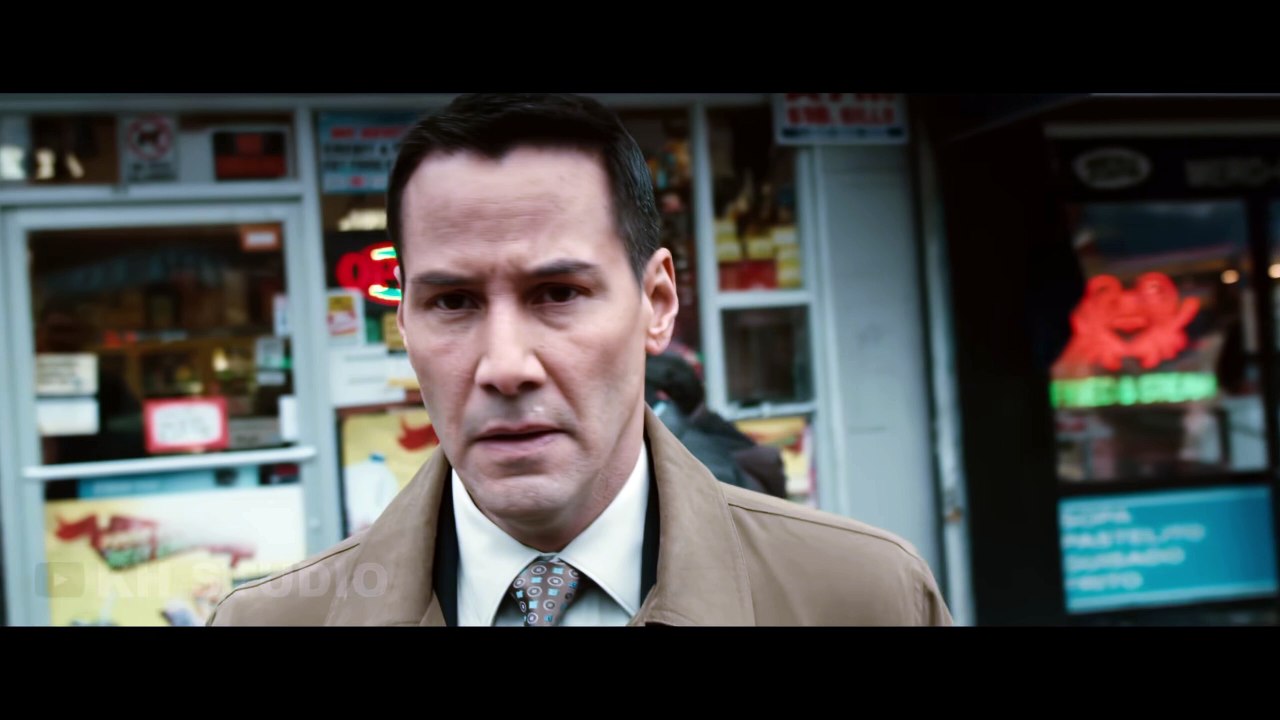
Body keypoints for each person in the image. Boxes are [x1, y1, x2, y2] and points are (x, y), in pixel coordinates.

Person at [208, 93, 951, 626]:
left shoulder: (865, 598)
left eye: (558, 293)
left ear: (657, 303)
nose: (505, 366)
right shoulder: (271, 620)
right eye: (453, 302)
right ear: (403, 321)